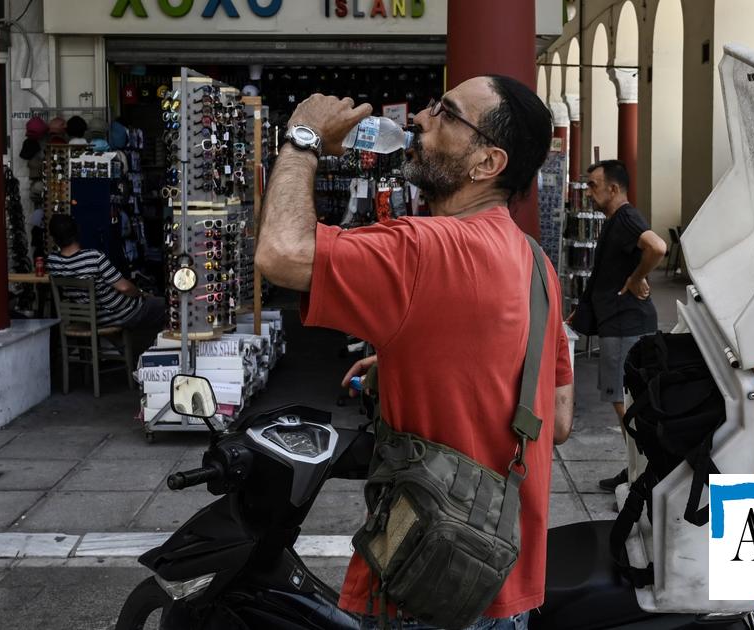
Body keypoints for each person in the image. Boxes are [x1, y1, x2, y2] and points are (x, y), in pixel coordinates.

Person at [255, 76, 575, 630]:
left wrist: (302, 137)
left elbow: (282, 252)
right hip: (502, 581)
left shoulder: (425, 249)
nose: (422, 120)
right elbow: (560, 417)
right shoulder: (536, 266)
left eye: (446, 114)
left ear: (487, 163)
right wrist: (422, 356)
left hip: (424, 590)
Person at [573, 160, 667, 492]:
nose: (588, 192)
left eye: (593, 185)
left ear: (614, 189)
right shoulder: (616, 221)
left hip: (627, 323)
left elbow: (657, 246)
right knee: (625, 401)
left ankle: (645, 469)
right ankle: (636, 468)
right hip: (618, 322)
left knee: (625, 402)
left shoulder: (626, 217)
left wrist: (637, 277)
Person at [46, 214, 165, 355]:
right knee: (170, 307)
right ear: (77, 232)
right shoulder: (93, 257)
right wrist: (141, 293)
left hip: (94, 318)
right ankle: (155, 357)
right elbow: (125, 287)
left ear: (54, 238)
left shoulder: (53, 262)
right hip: (121, 312)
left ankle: (132, 353)